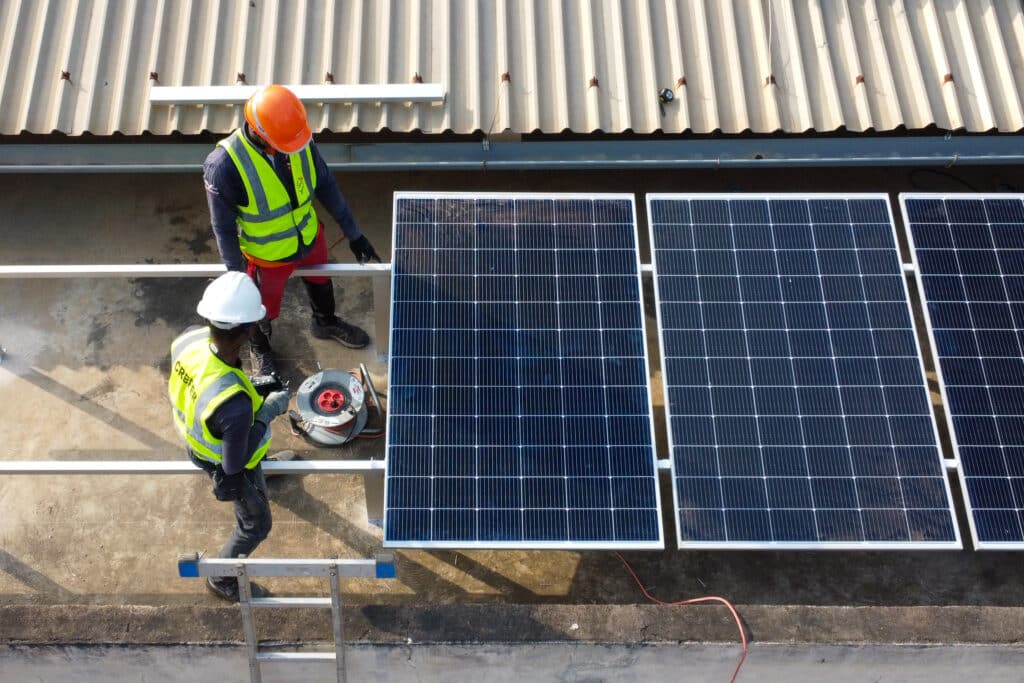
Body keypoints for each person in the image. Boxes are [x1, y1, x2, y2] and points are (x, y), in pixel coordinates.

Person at [203, 84, 382, 377]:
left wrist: (354, 234)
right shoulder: (224, 166)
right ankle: (260, 348)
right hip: (267, 256)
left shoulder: (296, 140)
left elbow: (326, 184)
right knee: (260, 308)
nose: (293, 149)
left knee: (321, 281)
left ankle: (325, 322)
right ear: (260, 133)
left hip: (310, 239)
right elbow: (222, 228)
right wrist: (237, 278)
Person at [168, 271, 292, 601]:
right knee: (256, 524)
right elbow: (234, 464)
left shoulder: (188, 340)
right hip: (224, 458)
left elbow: (212, 384)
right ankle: (221, 576)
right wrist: (267, 412)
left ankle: (268, 472)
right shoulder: (235, 407)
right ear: (249, 329)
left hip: (198, 436)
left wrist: (252, 394)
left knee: (246, 434)